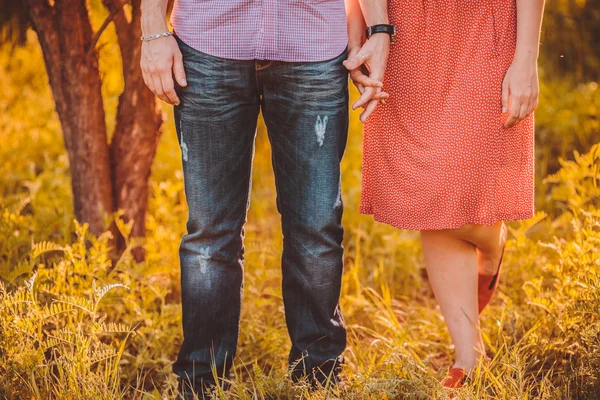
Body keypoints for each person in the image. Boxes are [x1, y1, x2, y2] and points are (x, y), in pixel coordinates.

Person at [139, 0, 364, 397]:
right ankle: (201, 383)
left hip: (314, 47)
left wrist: (376, 31)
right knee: (210, 234)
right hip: (206, 45)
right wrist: (153, 29)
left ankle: (319, 380)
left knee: (316, 229)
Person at [345, 0, 545, 389]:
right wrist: (359, 30)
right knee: (431, 194)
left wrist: (527, 57)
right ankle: (469, 358)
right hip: (400, 33)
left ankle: (491, 241)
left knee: (458, 187)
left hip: (483, 27)